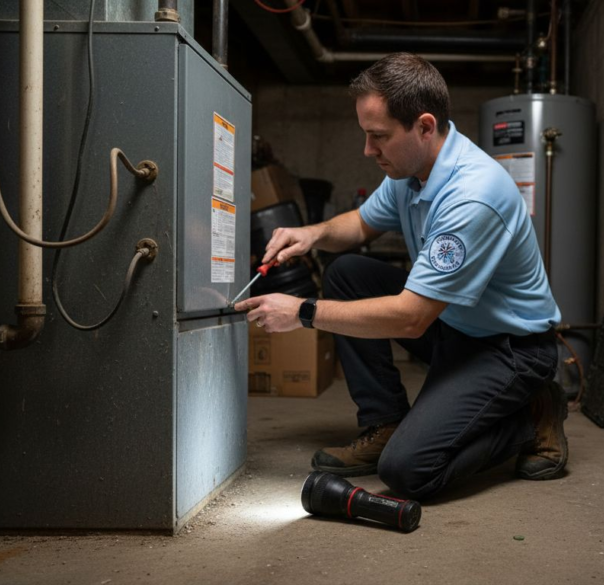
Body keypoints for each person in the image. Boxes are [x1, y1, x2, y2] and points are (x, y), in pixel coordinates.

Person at [235, 53, 566, 501]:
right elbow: (360, 225)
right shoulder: (410, 171)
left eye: (378, 137)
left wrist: (304, 312)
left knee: (411, 470)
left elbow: (410, 318)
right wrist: (310, 234)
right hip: (454, 325)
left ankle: (531, 416)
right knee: (348, 272)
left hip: (508, 349)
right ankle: (385, 422)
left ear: (425, 127)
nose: (368, 150)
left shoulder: (472, 197)